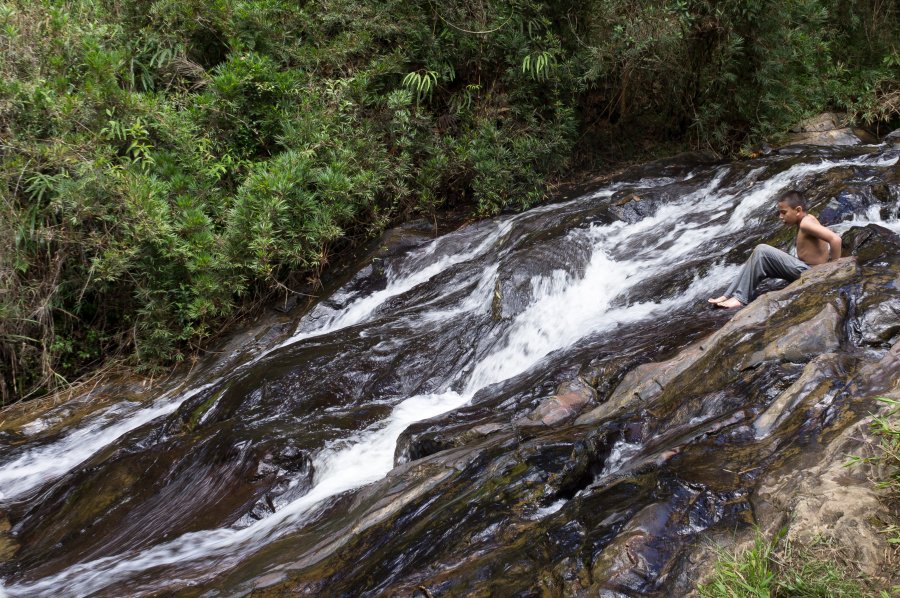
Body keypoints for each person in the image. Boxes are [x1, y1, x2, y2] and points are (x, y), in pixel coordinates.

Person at [708, 190, 842, 308]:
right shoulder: (808, 219)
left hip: (810, 272)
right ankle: (728, 295)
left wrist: (834, 271)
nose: (780, 217)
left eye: (784, 212)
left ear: (798, 210)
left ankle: (739, 299)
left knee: (762, 250)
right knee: (758, 256)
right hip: (806, 269)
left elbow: (835, 239)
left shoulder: (806, 223)